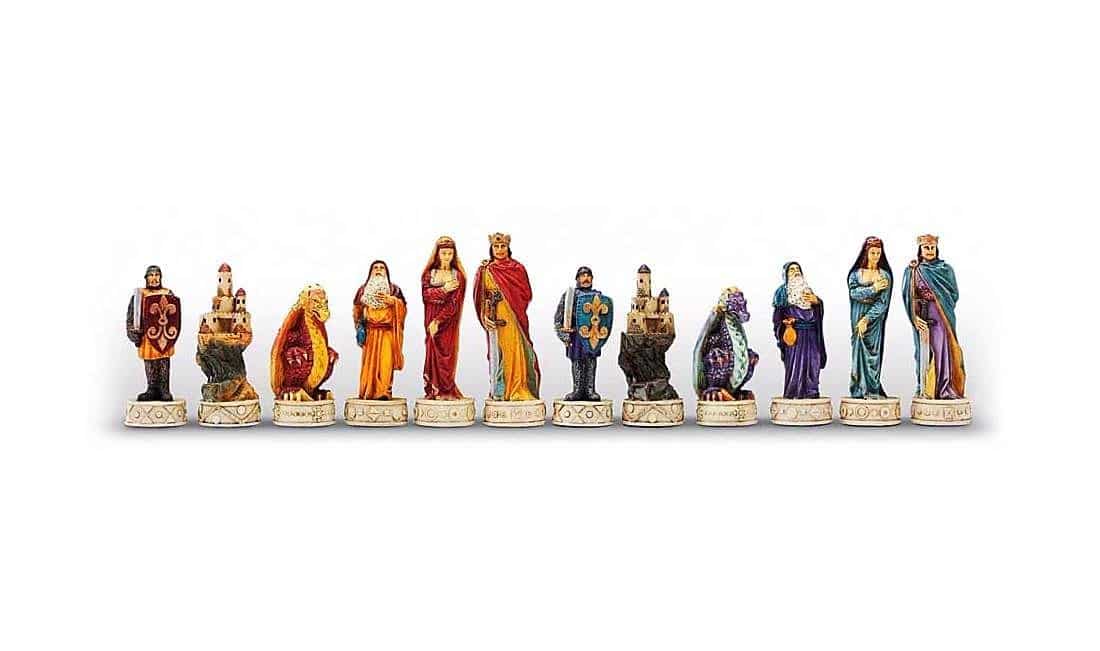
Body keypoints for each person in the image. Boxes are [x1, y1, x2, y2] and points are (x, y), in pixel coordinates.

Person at [472, 233, 541, 400]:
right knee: (499, 353)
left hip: (513, 316)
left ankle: (518, 388)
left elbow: (526, 293)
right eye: (496, 246)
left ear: (508, 247)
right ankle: (500, 390)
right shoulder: (485, 270)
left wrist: (511, 298)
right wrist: (485, 314)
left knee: (516, 350)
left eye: (503, 246)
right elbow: (480, 296)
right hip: (494, 317)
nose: (499, 249)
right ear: (491, 248)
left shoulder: (517, 268)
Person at [902, 234, 966, 399]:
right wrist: (915, 317)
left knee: (942, 349)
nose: (930, 250)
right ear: (920, 249)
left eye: (932, 247)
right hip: (922, 316)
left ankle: (944, 388)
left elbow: (954, 294)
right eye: (926, 247)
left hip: (941, 315)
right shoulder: (913, 270)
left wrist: (940, 299)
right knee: (923, 351)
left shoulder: (946, 269)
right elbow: (908, 296)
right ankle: (924, 387)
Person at [554, 266, 612, 401]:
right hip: (576, 335)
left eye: (588, 275)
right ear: (577, 279)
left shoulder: (598, 296)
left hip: (592, 334)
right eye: (583, 276)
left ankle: (590, 390)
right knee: (577, 362)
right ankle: (577, 390)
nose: (586, 278)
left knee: (591, 361)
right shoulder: (570, 295)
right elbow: (559, 317)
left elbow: (603, 317)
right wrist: (563, 334)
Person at [772, 261, 827, 399]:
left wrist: (817, 302)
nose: (796, 271)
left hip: (812, 334)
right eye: (792, 270)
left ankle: (811, 392)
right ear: (786, 274)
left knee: (813, 362)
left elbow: (817, 310)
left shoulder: (808, 290)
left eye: (797, 269)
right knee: (796, 365)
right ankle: (794, 392)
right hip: (796, 335)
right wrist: (784, 327)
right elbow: (777, 317)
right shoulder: (782, 292)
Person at [353, 261, 406, 400]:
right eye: (375, 268)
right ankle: (368, 391)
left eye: (382, 268)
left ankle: (383, 392)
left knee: (385, 363)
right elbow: (357, 310)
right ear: (370, 271)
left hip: (387, 332)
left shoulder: (394, 290)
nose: (378, 270)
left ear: (386, 272)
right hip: (371, 333)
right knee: (369, 365)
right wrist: (359, 326)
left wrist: (394, 302)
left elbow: (403, 310)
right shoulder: (363, 290)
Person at [421, 236, 466, 400]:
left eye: (450, 253)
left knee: (447, 354)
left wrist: (438, 321)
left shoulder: (458, 276)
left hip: (448, 321)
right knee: (432, 352)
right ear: (437, 255)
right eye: (444, 253)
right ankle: (434, 390)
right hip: (430, 316)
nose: (447, 257)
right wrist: (444, 289)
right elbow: (426, 295)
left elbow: (455, 303)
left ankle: (447, 390)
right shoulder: (429, 274)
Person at [125, 265, 180, 401]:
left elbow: (174, 316)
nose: (154, 278)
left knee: (163, 362)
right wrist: (133, 331)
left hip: (164, 335)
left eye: (157, 275)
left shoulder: (168, 293)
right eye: (151, 275)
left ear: (160, 277)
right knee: (150, 362)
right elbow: (132, 315)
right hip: (147, 335)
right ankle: (152, 388)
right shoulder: (140, 294)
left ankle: (164, 389)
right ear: (146, 278)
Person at [847, 237, 893, 399]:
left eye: (878, 253)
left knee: (873, 353)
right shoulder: (855, 274)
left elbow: (883, 302)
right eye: (872, 253)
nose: (875, 256)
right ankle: (858, 389)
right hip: (857, 312)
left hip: (874, 319)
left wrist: (866, 319)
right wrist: (873, 288)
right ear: (866, 253)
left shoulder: (884, 275)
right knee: (858, 350)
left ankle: (872, 389)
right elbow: (854, 293)